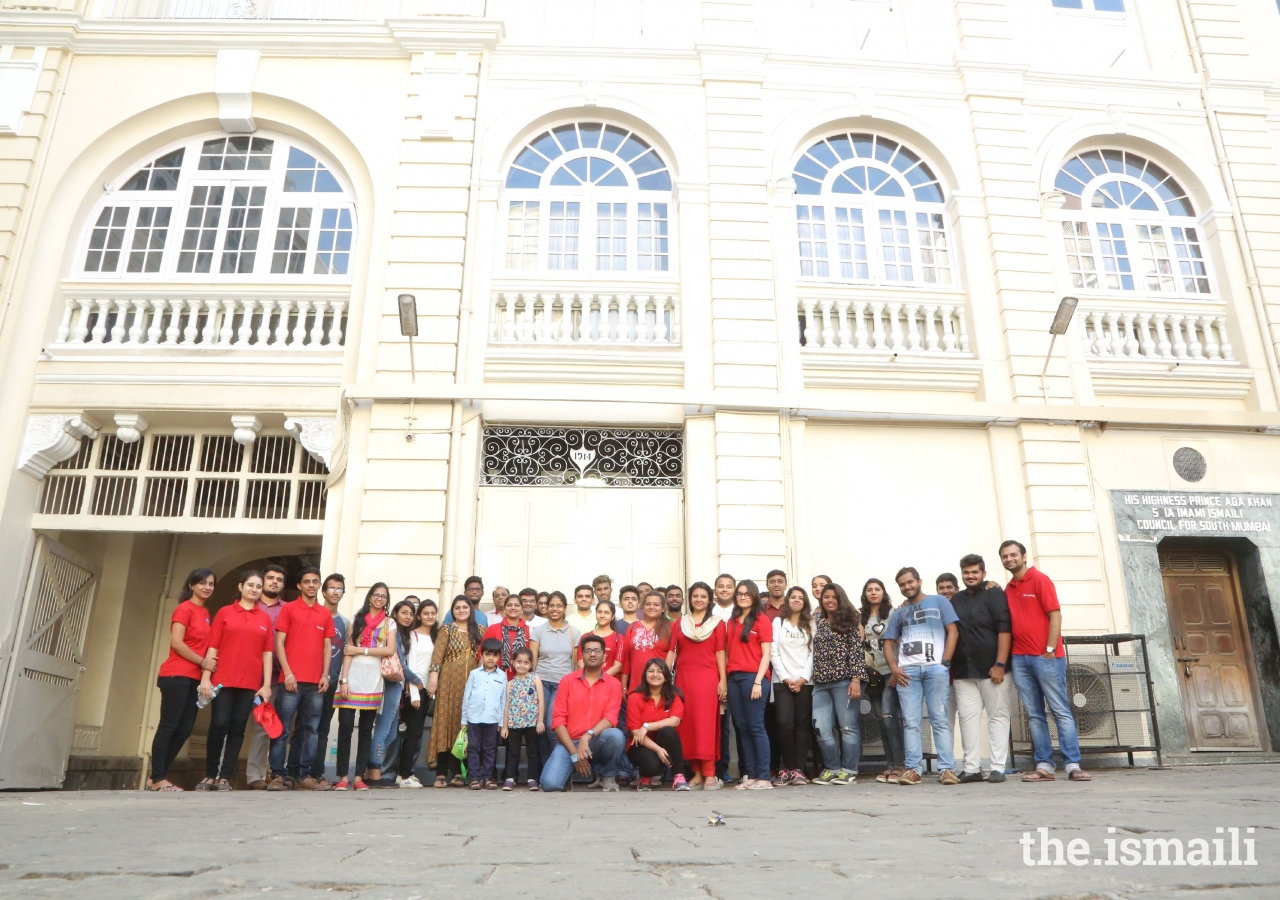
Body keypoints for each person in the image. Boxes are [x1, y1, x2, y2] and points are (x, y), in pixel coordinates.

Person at [1001, 540, 1091, 782]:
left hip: (1046, 657)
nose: (1009, 559)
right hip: (1020, 658)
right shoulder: (1008, 588)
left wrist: (1050, 649)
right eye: (1004, 556)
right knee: (1034, 714)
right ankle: (1045, 766)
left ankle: (1072, 764)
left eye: (1013, 555)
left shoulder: (1040, 580)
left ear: (1023, 556)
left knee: (1060, 710)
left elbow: (1055, 614)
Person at [883, 567, 960, 786]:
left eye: (910, 582)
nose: (907, 587)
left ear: (919, 581)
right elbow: (888, 643)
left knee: (940, 720)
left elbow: (953, 631)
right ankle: (913, 769)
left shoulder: (939, 601)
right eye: (902, 584)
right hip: (908, 673)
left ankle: (946, 769)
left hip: (935, 669)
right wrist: (894, 667)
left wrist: (945, 662)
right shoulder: (899, 613)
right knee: (911, 722)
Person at [198, 571, 273, 791]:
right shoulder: (225, 612)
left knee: (238, 728)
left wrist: (266, 685)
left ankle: (225, 777)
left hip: (249, 683)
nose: (254, 589)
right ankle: (210, 774)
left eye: (259, 586)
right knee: (219, 725)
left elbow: (267, 653)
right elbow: (213, 646)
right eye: (250, 585)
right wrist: (205, 676)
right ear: (241, 587)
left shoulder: (264, 618)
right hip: (222, 679)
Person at [148, 567, 216, 791]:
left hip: (194, 679)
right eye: (202, 583)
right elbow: (177, 643)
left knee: (184, 729)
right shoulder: (183, 609)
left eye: (211, 584)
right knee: (168, 726)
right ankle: (158, 778)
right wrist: (203, 662)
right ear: (191, 585)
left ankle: (156, 776)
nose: (207, 587)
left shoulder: (205, 613)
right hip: (175, 675)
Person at [268, 567, 335, 791]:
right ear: (299, 585)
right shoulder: (288, 609)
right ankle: (277, 774)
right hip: (290, 680)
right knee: (282, 729)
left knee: (310, 730)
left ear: (319, 586)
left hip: (315, 682)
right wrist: (287, 673)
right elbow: (279, 643)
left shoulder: (324, 613)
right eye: (306, 582)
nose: (311, 585)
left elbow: (328, 647)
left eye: (315, 582)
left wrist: (325, 674)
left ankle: (302, 775)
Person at [951, 554, 1013, 784]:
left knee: (997, 716)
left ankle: (997, 767)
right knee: (967, 719)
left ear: (983, 573)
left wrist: (1000, 664)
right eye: (966, 572)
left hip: (993, 670)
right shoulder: (956, 599)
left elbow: (1004, 629)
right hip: (964, 672)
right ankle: (971, 768)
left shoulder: (994, 594)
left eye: (975, 572)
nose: (970, 576)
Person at [540, 634, 625, 793]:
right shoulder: (567, 681)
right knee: (549, 784)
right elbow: (558, 720)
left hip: (596, 741)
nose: (592, 654)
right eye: (588, 651)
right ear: (582, 655)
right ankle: (568, 774)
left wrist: (588, 736)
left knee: (616, 735)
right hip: (569, 743)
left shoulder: (614, 684)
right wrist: (574, 753)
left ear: (604, 655)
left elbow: (610, 718)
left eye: (596, 650)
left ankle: (606, 774)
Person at [333, 583, 396, 791]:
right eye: (376, 595)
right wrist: (343, 680)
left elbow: (389, 649)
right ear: (369, 597)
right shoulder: (356, 619)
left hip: (373, 679)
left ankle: (359, 776)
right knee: (346, 726)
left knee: (367, 729)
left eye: (384, 596)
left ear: (387, 600)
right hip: (352, 676)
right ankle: (343, 775)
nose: (379, 599)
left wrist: (363, 650)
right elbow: (347, 651)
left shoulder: (389, 623)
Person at [669, 581, 727, 790]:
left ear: (710, 599)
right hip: (685, 679)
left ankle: (710, 773)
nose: (699, 600)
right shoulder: (680, 623)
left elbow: (720, 652)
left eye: (703, 596)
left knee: (706, 725)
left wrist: (723, 680)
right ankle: (696, 774)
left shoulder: (717, 623)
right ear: (689, 599)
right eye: (695, 596)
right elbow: (672, 651)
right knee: (689, 725)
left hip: (708, 679)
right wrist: (665, 676)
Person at [810, 583, 868, 786]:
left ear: (840, 598)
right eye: (826, 597)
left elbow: (856, 653)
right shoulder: (820, 622)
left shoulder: (851, 621)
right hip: (820, 684)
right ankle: (832, 768)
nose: (830, 600)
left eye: (834, 597)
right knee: (821, 728)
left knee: (847, 727)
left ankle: (849, 770)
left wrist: (856, 679)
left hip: (844, 681)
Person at [427, 595, 483, 787]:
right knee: (446, 724)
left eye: (464, 607)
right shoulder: (446, 630)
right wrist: (433, 679)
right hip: (448, 683)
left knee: (465, 726)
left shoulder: (479, 631)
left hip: (472, 685)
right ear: (453, 611)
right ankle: (441, 773)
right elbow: (437, 656)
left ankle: (460, 773)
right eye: (457, 607)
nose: (461, 610)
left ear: (470, 610)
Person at [369, 599, 425, 787]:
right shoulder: (395, 633)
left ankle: (375, 771)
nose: (408, 617)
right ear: (395, 614)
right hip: (390, 685)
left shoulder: (405, 634)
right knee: (384, 731)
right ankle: (375, 773)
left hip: (397, 686)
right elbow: (400, 664)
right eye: (404, 613)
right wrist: (418, 681)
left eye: (411, 613)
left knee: (391, 733)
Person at [726, 579, 774, 790]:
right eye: (739, 593)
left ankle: (764, 777)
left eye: (747, 593)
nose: (742, 596)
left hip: (753, 677)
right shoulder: (732, 620)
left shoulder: (761, 619)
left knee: (756, 726)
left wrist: (758, 682)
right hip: (733, 678)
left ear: (754, 596)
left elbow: (766, 655)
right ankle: (751, 775)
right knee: (742, 728)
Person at [245, 563, 288, 790]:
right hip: (248, 676)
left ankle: (267, 776)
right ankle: (233, 774)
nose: (274, 582)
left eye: (279, 579)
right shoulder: (249, 606)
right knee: (239, 726)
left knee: (272, 728)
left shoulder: (288, 609)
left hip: (277, 678)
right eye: (270, 578)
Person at [302, 573, 348, 787]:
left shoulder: (345, 623)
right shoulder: (314, 615)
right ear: (324, 591)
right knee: (305, 727)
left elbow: (346, 652)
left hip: (331, 682)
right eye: (331, 588)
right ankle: (300, 772)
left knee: (323, 729)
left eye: (339, 589)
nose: (335, 592)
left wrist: (341, 680)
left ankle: (317, 773)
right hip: (310, 679)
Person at [860, 578, 905, 784]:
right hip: (871, 674)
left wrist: (897, 670)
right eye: (869, 590)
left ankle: (900, 764)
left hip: (890, 671)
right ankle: (890, 765)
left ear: (883, 592)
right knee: (881, 718)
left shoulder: (894, 613)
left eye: (877, 589)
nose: (873, 593)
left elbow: (900, 641)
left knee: (889, 716)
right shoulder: (860, 617)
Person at [529, 592, 580, 766]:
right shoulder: (538, 631)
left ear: (565, 608)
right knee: (541, 725)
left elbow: (575, 664)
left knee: (552, 723)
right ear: (546, 607)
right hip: (541, 681)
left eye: (559, 605)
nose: (555, 609)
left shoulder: (574, 632)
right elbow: (532, 662)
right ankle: (545, 767)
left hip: (563, 684)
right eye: (552, 605)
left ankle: (556, 764)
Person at [771, 586, 815, 786]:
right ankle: (786, 767)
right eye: (793, 597)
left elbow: (813, 654)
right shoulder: (778, 622)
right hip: (782, 681)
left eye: (801, 597)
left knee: (802, 725)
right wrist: (787, 679)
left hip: (805, 681)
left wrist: (803, 678)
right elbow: (773, 653)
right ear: (788, 600)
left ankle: (799, 770)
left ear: (805, 602)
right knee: (783, 723)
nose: (797, 600)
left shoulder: (811, 623)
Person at [628, 659, 688, 791]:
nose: (655, 675)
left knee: (668, 731)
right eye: (651, 671)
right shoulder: (635, 697)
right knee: (652, 765)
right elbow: (634, 731)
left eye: (660, 672)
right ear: (645, 675)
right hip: (640, 745)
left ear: (666, 677)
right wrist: (657, 750)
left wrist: (647, 726)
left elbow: (675, 721)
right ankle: (645, 775)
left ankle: (679, 776)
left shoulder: (673, 696)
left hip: (664, 741)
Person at [399, 599, 437, 788]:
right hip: (417, 690)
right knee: (413, 734)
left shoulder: (436, 636)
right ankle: (404, 775)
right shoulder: (413, 635)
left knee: (418, 733)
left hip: (430, 691)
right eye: (426, 613)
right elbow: (410, 665)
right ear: (419, 615)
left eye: (433, 613)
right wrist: (414, 693)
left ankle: (407, 772)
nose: (430, 616)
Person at [461, 638, 507, 789]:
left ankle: (488, 777)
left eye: (494, 655)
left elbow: (503, 700)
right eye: (487, 654)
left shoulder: (502, 676)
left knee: (489, 748)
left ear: (499, 657)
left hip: (492, 718)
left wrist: (501, 722)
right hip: (474, 717)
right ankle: (474, 777)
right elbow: (467, 696)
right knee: (473, 748)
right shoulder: (474, 674)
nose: (491, 658)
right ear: (481, 655)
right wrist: (464, 719)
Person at [501, 647, 544, 791]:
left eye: (526, 663)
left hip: (532, 722)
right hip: (514, 723)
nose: (522, 665)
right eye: (519, 662)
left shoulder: (535, 679)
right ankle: (510, 778)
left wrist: (540, 720)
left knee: (532, 751)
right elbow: (507, 704)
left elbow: (541, 700)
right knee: (513, 751)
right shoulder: (511, 683)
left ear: (531, 664)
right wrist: (505, 725)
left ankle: (533, 778)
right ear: (513, 662)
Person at [710, 573, 737, 783]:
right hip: (714, 675)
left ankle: (745, 770)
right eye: (721, 586)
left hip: (738, 673)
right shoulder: (708, 614)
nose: (725, 590)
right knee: (720, 725)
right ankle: (719, 769)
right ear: (715, 590)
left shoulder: (740, 612)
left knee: (741, 724)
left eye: (729, 586)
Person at [620, 592, 672, 695]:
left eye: (656, 604)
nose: (651, 607)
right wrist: (624, 686)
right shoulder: (632, 627)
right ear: (642, 607)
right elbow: (626, 660)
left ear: (663, 608)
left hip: (659, 688)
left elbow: (673, 655)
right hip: (635, 687)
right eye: (648, 604)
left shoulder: (670, 627)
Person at [483, 594, 531, 680]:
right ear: (504, 608)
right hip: (495, 677)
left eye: (516, 605)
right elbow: (482, 654)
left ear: (522, 608)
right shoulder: (493, 629)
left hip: (522, 678)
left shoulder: (529, 630)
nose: (513, 608)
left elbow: (533, 656)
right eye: (509, 605)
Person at [577, 599, 623, 673]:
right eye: (599, 612)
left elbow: (618, 666)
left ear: (613, 616)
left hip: (610, 682)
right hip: (587, 681)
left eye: (606, 613)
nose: (602, 615)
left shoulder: (619, 638)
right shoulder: (585, 637)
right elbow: (580, 662)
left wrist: (601, 680)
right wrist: (591, 679)